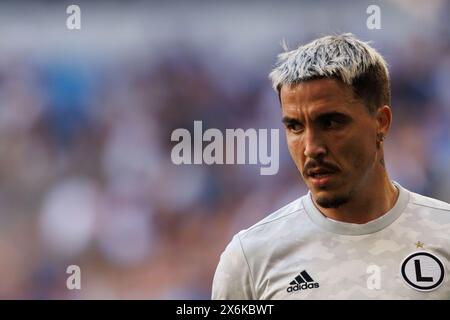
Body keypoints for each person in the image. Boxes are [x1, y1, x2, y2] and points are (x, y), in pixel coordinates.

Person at [211, 33, 450, 299]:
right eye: (295, 127)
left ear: (381, 121)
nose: (311, 147)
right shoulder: (251, 258)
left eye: (331, 123)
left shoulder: (443, 233)